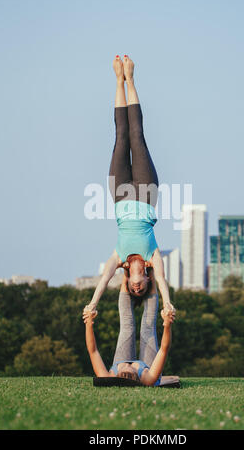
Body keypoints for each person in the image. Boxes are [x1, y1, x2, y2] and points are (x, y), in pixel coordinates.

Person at [85, 55, 175, 316]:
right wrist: (166, 305)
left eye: (133, 291)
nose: (137, 290)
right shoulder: (153, 256)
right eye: (141, 290)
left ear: (128, 282)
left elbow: (102, 282)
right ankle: (131, 80)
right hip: (146, 193)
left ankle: (117, 81)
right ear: (146, 281)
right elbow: (164, 283)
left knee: (120, 135)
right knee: (137, 134)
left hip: (120, 193)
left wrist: (92, 305)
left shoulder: (119, 257)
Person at [83, 270, 175, 386]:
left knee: (127, 327)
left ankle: (127, 272)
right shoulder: (148, 378)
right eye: (129, 375)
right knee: (147, 329)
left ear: (117, 377)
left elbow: (93, 351)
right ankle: (151, 271)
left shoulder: (109, 376)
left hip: (121, 364)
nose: (126, 371)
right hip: (147, 367)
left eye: (123, 375)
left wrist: (88, 322)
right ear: (137, 378)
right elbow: (163, 349)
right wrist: (167, 324)